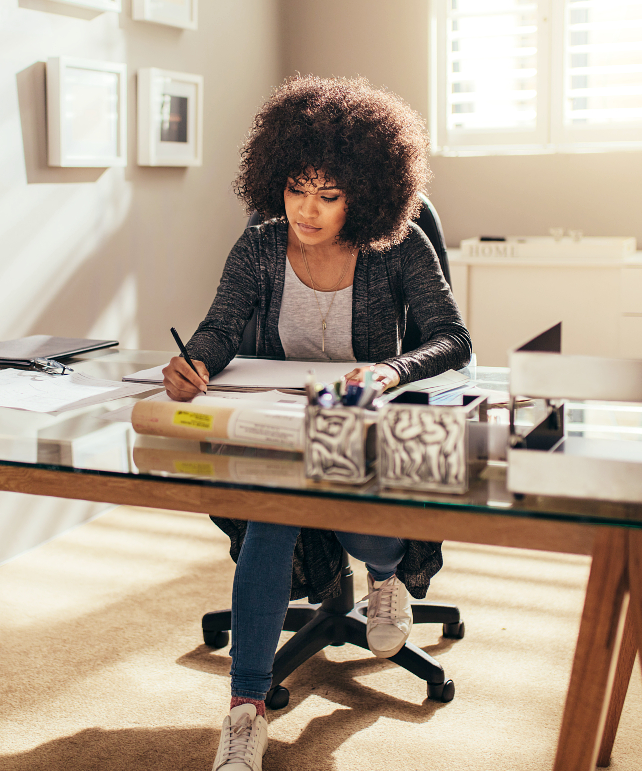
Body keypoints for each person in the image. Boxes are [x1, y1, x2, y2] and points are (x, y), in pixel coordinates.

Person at [161, 75, 471, 771]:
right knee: (273, 513)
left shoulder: (399, 246)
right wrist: (195, 362)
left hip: (365, 424)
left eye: (328, 196)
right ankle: (245, 711)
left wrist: (389, 370)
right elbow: (220, 328)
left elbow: (452, 338)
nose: (307, 209)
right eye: (296, 189)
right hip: (286, 425)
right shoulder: (260, 247)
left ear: (365, 193)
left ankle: (384, 576)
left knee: (338, 502)